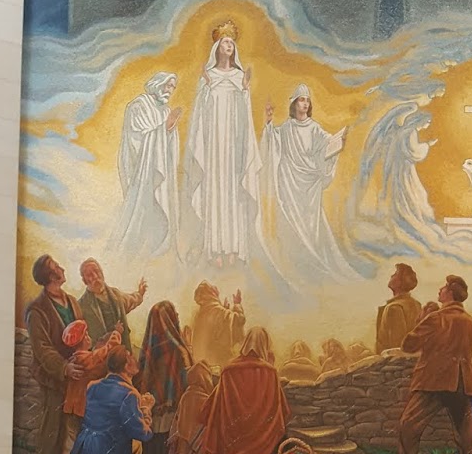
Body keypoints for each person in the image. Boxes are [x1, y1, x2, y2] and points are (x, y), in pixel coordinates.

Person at [155, 327, 289, 454]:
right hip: (260, 444)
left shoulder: (229, 369)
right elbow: (280, 409)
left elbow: (214, 405)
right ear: (265, 345)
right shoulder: (270, 372)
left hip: (232, 439)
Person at [182, 23, 262, 266]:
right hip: (214, 146)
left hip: (233, 145)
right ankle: (215, 249)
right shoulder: (209, 77)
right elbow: (200, 115)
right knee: (215, 191)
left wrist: (245, 92)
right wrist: (206, 89)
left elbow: (245, 115)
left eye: (232, 43)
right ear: (217, 47)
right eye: (225, 42)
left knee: (233, 193)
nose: (229, 46)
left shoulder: (239, 77)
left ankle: (234, 248)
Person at [396, 275, 472, 454]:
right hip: (463, 383)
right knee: (466, 436)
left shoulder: (436, 318)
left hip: (434, 381)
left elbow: (408, 345)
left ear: (450, 293)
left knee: (409, 424)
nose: (440, 290)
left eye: (443, 287)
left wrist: (421, 320)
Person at [260, 84, 351, 280]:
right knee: (290, 221)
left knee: (310, 224)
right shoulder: (287, 128)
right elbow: (272, 141)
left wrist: (338, 142)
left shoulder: (314, 128)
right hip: (289, 182)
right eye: (302, 99)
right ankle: (293, 263)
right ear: (294, 103)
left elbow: (328, 144)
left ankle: (311, 262)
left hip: (310, 185)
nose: (305, 103)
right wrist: (268, 122)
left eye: (307, 100)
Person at [24, 254, 86, 454]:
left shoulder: (72, 301)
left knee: (72, 422)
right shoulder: (37, 310)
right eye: (57, 267)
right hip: (53, 375)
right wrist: (63, 367)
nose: (62, 268)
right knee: (52, 421)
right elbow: (42, 348)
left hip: (76, 372)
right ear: (50, 276)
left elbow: (80, 331)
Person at [71, 345, 153, 454]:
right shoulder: (130, 393)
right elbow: (143, 433)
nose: (135, 360)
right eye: (131, 357)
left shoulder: (92, 386)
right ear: (126, 366)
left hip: (89, 451)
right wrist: (146, 409)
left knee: (134, 444)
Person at [114, 71, 181, 258]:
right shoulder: (139, 105)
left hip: (159, 172)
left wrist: (169, 130)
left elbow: (168, 143)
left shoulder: (165, 110)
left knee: (160, 210)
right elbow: (137, 138)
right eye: (168, 85)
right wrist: (163, 129)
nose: (170, 90)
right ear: (158, 84)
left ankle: (156, 252)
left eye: (173, 87)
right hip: (142, 172)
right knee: (140, 214)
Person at [136, 301, 193, 454]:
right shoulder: (177, 348)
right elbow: (187, 375)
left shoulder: (150, 346)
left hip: (154, 402)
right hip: (170, 401)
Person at [60, 319, 114, 454]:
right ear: (81, 341)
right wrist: (113, 339)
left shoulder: (78, 357)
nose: (89, 337)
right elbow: (97, 356)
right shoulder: (82, 357)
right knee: (72, 441)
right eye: (87, 335)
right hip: (79, 408)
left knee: (74, 440)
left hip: (76, 407)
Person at [79, 259, 147, 355]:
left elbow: (130, 300)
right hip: (101, 357)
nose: (95, 276)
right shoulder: (81, 305)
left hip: (123, 351)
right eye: (89, 275)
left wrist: (140, 293)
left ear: (102, 273)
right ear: (84, 280)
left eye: (97, 271)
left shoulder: (115, 294)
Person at [166, 360, 214, 454]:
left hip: (182, 443)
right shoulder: (204, 399)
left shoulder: (186, 395)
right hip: (194, 447)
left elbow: (177, 421)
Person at [190, 283, 245, 370]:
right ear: (212, 293)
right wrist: (237, 304)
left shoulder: (200, 315)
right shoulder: (220, 312)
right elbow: (239, 320)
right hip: (218, 366)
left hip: (202, 367)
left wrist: (225, 310)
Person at [375, 264, 422, 354]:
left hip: (393, 359)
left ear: (401, 282)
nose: (391, 276)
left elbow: (396, 346)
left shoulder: (394, 308)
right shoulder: (417, 305)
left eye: (395, 274)